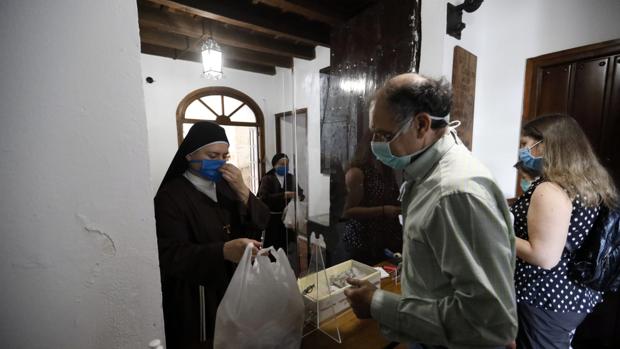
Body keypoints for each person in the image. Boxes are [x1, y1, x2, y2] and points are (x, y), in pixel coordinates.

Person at [344, 73, 517, 348]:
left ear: (422, 124)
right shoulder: (424, 173)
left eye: (384, 134)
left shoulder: (453, 193)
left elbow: (489, 322)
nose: (376, 144)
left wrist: (378, 304)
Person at [154, 121, 270, 349]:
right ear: (189, 156)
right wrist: (223, 251)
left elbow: (262, 221)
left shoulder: (227, 186)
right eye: (212, 155)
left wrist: (244, 192)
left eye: (224, 156)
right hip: (196, 294)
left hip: (233, 284)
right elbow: (170, 254)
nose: (219, 162)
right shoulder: (171, 196)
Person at [510, 114, 618, 349]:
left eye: (524, 144)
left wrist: (498, 235)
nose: (520, 151)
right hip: (572, 293)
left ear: (544, 146)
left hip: (544, 297)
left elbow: (544, 257)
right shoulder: (588, 183)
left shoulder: (550, 189)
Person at [343, 130, 402, 265]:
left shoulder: (386, 168)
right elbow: (347, 212)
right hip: (364, 243)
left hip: (388, 240)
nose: (387, 144)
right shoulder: (357, 173)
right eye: (380, 139)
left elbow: (392, 197)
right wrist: (382, 210)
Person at [257, 153, 305, 252]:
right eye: (281, 164)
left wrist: (299, 196)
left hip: (288, 219)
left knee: (287, 247)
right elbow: (263, 198)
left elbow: (300, 193)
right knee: (272, 247)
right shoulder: (267, 178)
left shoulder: (291, 177)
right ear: (274, 165)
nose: (284, 167)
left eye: (286, 164)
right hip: (272, 219)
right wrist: (284, 195)